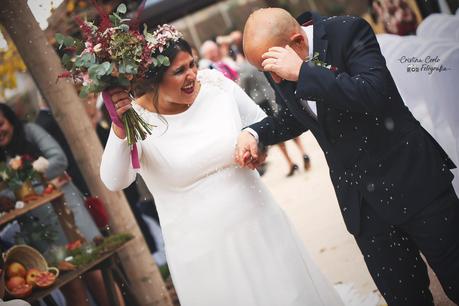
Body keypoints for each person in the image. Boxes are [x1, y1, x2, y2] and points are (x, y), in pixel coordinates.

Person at [100, 25, 343, 306]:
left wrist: (256, 146)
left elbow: (259, 124)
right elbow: (114, 181)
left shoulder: (215, 85)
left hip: (259, 224)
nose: (192, 74)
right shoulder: (135, 120)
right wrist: (119, 131)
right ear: (154, 79)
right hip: (202, 252)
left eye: (191, 64)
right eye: (179, 71)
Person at [236, 8, 459, 306]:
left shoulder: (349, 31)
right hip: (363, 207)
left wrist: (304, 72)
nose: (273, 79)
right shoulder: (278, 64)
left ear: (298, 42)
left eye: (272, 68)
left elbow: (376, 93)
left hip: (414, 183)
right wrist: (254, 134)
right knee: (405, 298)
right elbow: (295, 116)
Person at [0, 104, 125, 306]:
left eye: (1, 124)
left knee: (97, 275)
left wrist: (23, 185)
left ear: (10, 120)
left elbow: (59, 160)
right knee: (69, 286)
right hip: (38, 229)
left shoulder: (30, 132)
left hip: (68, 213)